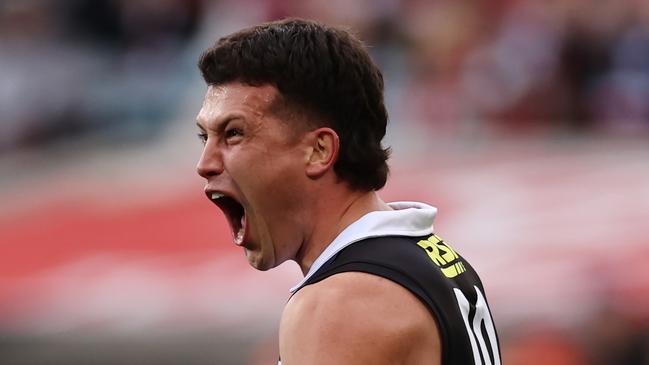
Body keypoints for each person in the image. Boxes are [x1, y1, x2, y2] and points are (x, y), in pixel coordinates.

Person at [195, 18, 501, 365]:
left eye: (233, 133)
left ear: (320, 150)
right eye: (205, 137)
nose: (204, 163)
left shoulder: (339, 304)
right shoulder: (434, 259)